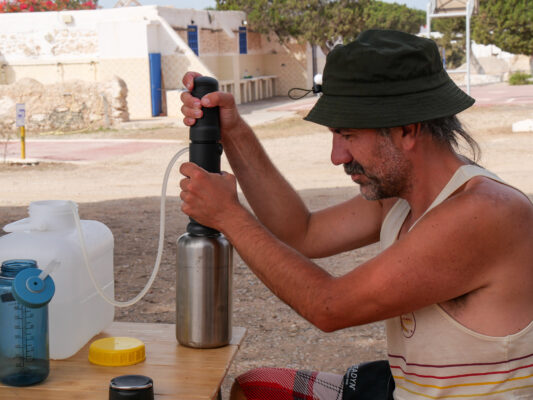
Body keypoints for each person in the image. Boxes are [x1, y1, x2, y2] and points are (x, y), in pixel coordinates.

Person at [178, 30, 533, 400]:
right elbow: (302, 232)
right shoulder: (405, 196)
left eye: (348, 135)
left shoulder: (484, 214)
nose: (337, 156)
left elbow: (328, 307)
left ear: (407, 130)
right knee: (254, 388)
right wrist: (232, 130)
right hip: (403, 389)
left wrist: (229, 216)